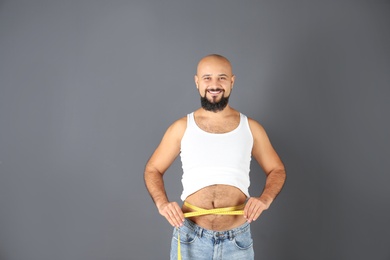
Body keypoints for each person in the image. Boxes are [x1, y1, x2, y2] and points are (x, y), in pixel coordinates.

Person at [144, 54, 286, 260]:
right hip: (190, 238)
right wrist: (162, 203)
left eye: (221, 77)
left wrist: (265, 199)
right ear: (197, 82)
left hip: (237, 241)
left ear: (231, 82)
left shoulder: (251, 128)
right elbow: (153, 169)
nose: (214, 84)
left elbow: (277, 169)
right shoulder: (181, 127)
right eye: (207, 78)